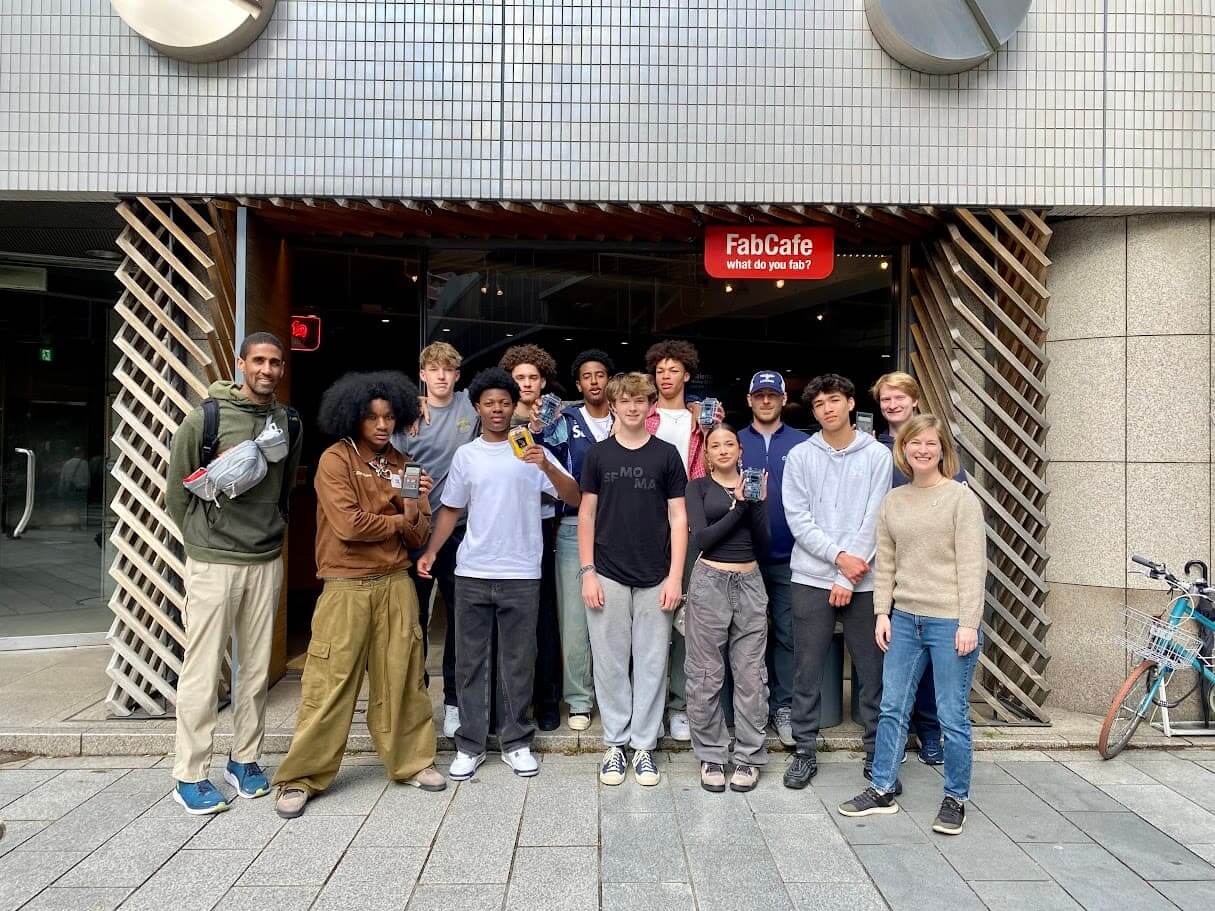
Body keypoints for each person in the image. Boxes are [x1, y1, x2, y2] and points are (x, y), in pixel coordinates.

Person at [273, 371, 443, 818]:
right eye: (372, 417)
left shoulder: (406, 464)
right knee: (329, 683)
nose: (382, 425)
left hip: (396, 583)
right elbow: (349, 526)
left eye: (389, 417)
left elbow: (417, 534)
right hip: (346, 585)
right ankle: (301, 776)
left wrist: (410, 506)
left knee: (403, 679)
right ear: (353, 418)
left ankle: (413, 762)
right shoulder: (336, 460)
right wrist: (398, 514)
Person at [418, 368, 580, 780]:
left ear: (513, 407)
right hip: (472, 570)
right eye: (489, 403)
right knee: (470, 661)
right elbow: (451, 508)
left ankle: (516, 741)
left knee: (518, 661)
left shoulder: (532, 452)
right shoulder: (467, 455)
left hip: (522, 572)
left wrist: (546, 465)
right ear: (477, 407)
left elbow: (574, 495)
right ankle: (470, 744)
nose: (497, 410)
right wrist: (432, 551)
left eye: (504, 403)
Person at [164, 332, 302, 815]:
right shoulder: (206, 418)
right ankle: (189, 772)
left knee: (257, 670)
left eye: (275, 362)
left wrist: (274, 529)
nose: (267, 370)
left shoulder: (288, 421)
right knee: (203, 670)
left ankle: (245, 759)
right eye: (258, 360)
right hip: (214, 560)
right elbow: (177, 492)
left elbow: (285, 486)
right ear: (241, 363)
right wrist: (201, 542)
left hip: (265, 558)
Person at [838, 414, 985, 836]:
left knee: (952, 715)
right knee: (892, 708)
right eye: (915, 443)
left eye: (930, 444)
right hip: (904, 620)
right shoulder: (894, 501)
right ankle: (882, 787)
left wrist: (968, 623)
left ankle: (955, 798)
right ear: (903, 449)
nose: (923, 450)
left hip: (950, 621)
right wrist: (882, 612)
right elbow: (886, 563)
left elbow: (973, 566)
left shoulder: (960, 499)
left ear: (942, 451)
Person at [782, 374, 892, 790]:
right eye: (818, 404)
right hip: (811, 577)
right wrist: (839, 560)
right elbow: (798, 519)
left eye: (833, 400)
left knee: (872, 669)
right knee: (806, 668)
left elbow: (877, 515)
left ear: (850, 403)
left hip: (865, 579)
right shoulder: (800, 455)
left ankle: (877, 754)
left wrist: (850, 570)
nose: (826, 409)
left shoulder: (877, 455)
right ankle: (804, 751)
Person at [580, 372, 688, 788]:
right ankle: (615, 742)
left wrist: (675, 577)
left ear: (650, 406)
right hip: (606, 571)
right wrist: (587, 572)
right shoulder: (598, 455)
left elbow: (678, 518)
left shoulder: (666, 455)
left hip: (656, 574)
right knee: (609, 662)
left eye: (640, 400)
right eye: (624, 400)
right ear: (613, 405)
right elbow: (586, 515)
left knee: (652, 662)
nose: (632, 407)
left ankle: (643, 745)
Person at [871, 371, 966, 766]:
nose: (892, 405)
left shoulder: (936, 450)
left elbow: (965, 540)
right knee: (894, 663)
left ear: (914, 400)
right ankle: (892, 740)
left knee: (931, 668)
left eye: (899, 397)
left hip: (935, 584)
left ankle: (929, 732)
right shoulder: (874, 448)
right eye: (886, 399)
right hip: (891, 572)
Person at [392, 341, 479, 740]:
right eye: (434, 369)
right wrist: (414, 495)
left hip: (460, 530)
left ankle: (455, 704)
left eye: (449, 369)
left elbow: (516, 401)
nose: (442, 376)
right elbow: (397, 469)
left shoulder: (470, 404)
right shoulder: (408, 415)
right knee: (414, 622)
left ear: (457, 375)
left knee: (461, 620)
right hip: (417, 531)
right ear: (423, 375)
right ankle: (416, 701)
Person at [685, 424, 771, 793]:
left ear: (740, 450)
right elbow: (703, 538)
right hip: (710, 582)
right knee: (705, 673)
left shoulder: (753, 486)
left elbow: (763, 543)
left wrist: (757, 503)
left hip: (750, 582)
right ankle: (711, 754)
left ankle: (749, 756)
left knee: (751, 675)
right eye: (715, 445)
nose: (722, 450)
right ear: (706, 454)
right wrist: (740, 507)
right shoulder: (698, 487)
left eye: (729, 444)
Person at [643, 339, 718, 742]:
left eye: (673, 370)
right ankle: (649, 707)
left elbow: (713, 470)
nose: (665, 377)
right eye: (660, 371)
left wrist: (710, 431)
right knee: (648, 616)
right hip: (647, 523)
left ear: (687, 374)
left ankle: (679, 705)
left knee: (686, 618)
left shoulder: (699, 419)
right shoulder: (644, 415)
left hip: (688, 524)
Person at [538, 349, 615, 731]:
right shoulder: (564, 421)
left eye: (600, 374)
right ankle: (580, 700)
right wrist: (537, 421)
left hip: (620, 528)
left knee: (616, 616)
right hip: (572, 525)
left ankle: (613, 696)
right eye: (587, 376)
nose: (595, 381)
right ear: (579, 384)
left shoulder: (627, 416)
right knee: (574, 620)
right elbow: (540, 453)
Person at [738, 370, 809, 748]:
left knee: (787, 635)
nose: (765, 401)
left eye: (772, 395)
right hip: (742, 558)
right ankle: (748, 709)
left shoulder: (802, 443)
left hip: (788, 556)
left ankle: (783, 707)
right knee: (744, 636)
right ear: (749, 400)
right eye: (759, 395)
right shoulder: (732, 441)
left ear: (783, 400)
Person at [500, 344, 564, 731]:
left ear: (543, 382)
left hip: (543, 524)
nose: (526, 383)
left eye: (533, 378)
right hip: (504, 524)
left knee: (544, 615)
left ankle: (547, 699)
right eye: (519, 378)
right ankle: (509, 702)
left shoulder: (559, 416)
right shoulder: (495, 415)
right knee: (509, 618)